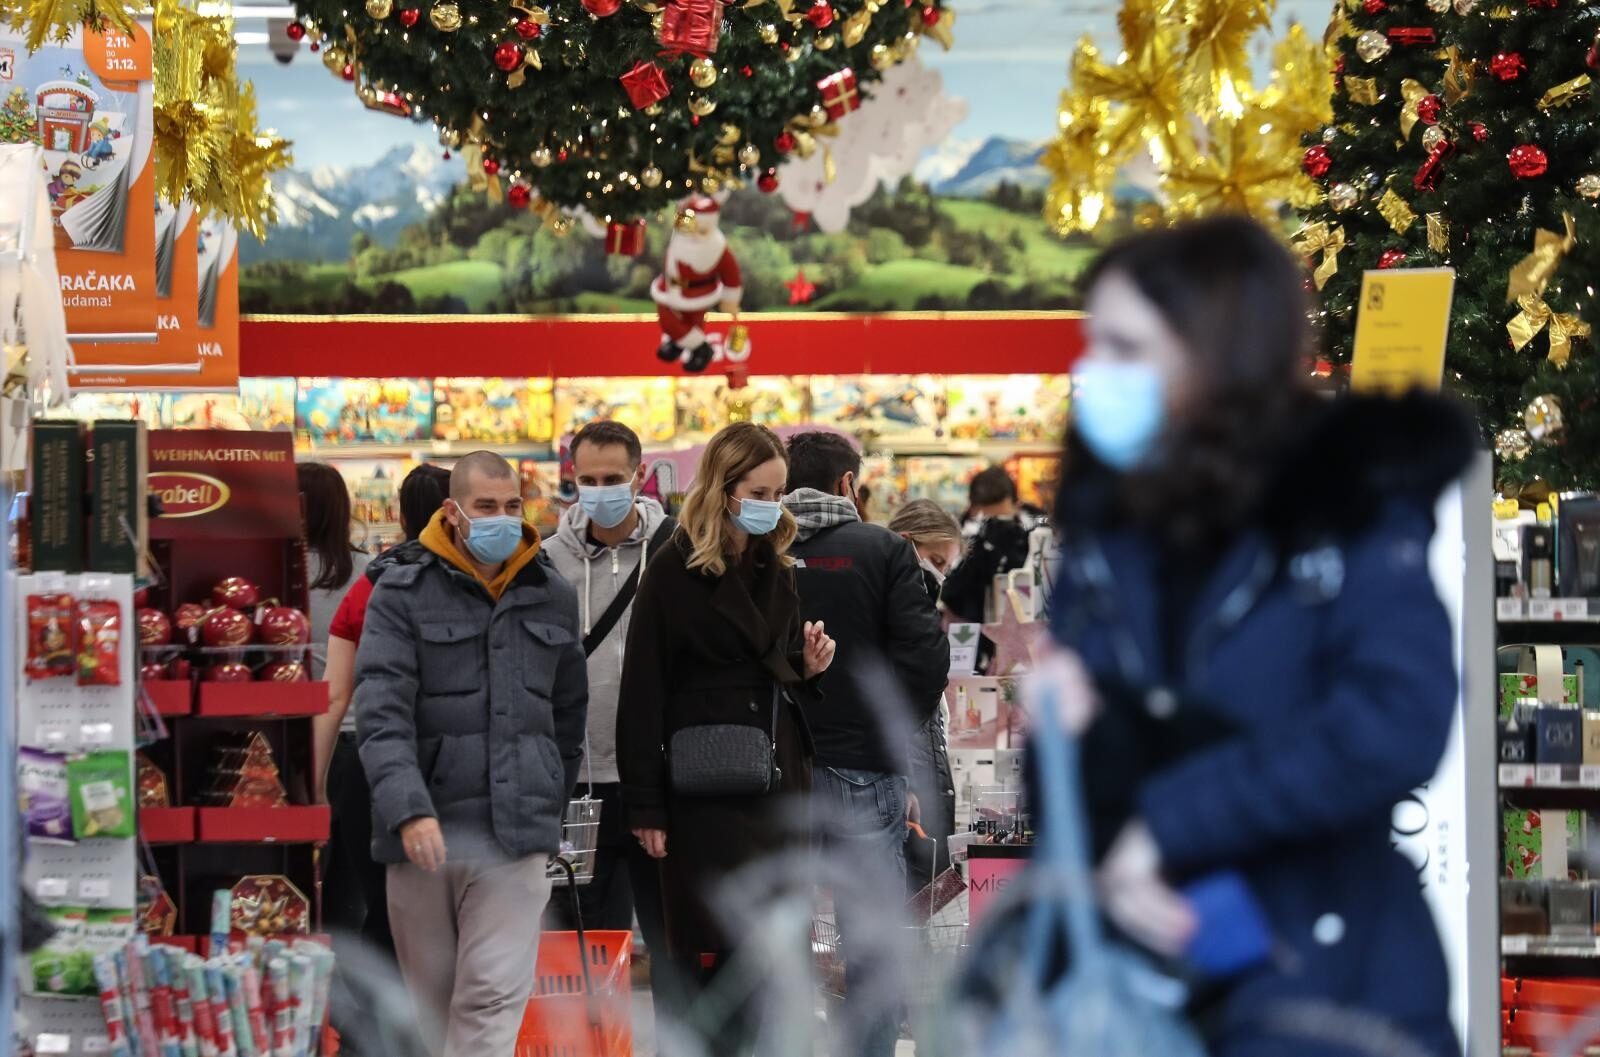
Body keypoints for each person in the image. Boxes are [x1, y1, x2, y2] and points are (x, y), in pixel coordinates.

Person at [1038, 216, 1471, 1055]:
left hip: (1331, 985)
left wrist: (1168, 823)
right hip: (1145, 989)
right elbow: (1074, 770)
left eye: (1126, 348)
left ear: (1215, 352)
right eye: (1094, 345)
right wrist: (1069, 747)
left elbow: (1393, 722)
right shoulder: (1109, 530)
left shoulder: (1348, 509)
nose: (1096, 372)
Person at [355, 451, 588, 1057]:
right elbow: (381, 711)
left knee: (490, 997)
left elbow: (568, 714)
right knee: (433, 1012)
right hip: (424, 838)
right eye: (486, 507)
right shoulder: (399, 591)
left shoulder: (551, 595)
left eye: (512, 506)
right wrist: (408, 809)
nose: (502, 520)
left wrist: (546, 801)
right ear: (452, 512)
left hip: (516, 838)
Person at [617, 422, 835, 1056]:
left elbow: (770, 666)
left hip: (774, 781)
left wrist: (808, 665)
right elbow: (642, 692)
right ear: (725, 488)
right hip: (702, 788)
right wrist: (646, 806)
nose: (774, 504)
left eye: (780, 491)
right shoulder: (673, 570)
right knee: (707, 956)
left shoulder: (778, 565)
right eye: (761, 490)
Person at [781, 431, 949, 1057]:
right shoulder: (883, 550)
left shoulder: (756, 547)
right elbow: (925, 661)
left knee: (775, 931)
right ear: (849, 484)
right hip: (864, 769)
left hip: (771, 770)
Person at [542, 421, 679, 1010]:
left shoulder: (675, 549)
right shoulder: (547, 560)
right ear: (572, 479)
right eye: (588, 480)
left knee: (671, 941)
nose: (600, 491)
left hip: (659, 779)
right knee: (588, 945)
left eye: (613, 479)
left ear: (639, 472)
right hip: (580, 780)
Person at [316, 463, 451, 971]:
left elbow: (334, 696)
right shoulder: (491, 580)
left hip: (367, 764)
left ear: (400, 512)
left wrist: (313, 786)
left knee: (379, 911)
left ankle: (368, 1036)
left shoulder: (371, 581)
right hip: (450, 768)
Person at [885, 499, 964, 895]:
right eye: (936, 560)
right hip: (907, 768)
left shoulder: (915, 606)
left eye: (946, 566)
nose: (940, 574)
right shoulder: (887, 605)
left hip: (923, 761)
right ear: (905, 543)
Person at [942, 466, 1035, 625]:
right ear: (971, 509)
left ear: (1016, 505)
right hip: (967, 623)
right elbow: (949, 590)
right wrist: (976, 549)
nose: (996, 524)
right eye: (987, 518)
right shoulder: (957, 534)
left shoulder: (1034, 528)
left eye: (1002, 517)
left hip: (1021, 623)